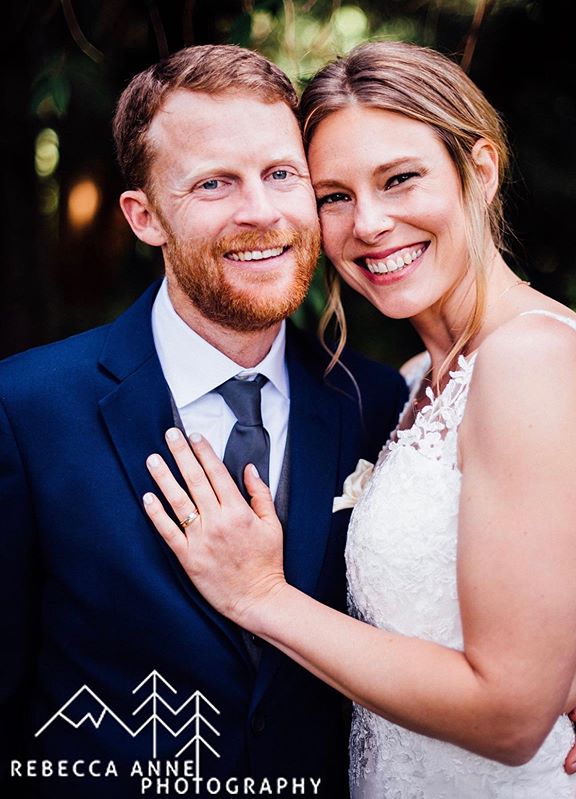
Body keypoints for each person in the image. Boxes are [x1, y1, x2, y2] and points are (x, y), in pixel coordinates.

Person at [142, 42, 576, 798]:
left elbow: (510, 715)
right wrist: (570, 663)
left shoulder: (530, 360)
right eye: (334, 195)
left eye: (400, 179)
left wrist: (260, 596)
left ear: (481, 170)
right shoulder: (405, 387)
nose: (369, 223)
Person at [0, 45, 408, 798]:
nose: (261, 210)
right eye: (215, 182)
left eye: (282, 174)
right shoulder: (25, 410)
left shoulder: (376, 404)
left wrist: (563, 676)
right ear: (145, 215)